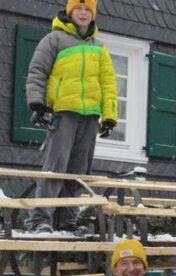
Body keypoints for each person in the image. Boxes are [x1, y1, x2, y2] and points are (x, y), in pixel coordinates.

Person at [24, 0, 117, 234]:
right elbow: (38, 71)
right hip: (63, 112)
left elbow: (108, 84)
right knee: (55, 166)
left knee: (79, 170)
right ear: (70, 11)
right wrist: (37, 101)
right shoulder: (54, 40)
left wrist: (110, 116)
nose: (83, 13)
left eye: (88, 9)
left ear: (93, 14)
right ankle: (39, 219)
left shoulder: (100, 48)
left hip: (90, 116)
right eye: (79, 8)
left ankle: (68, 219)